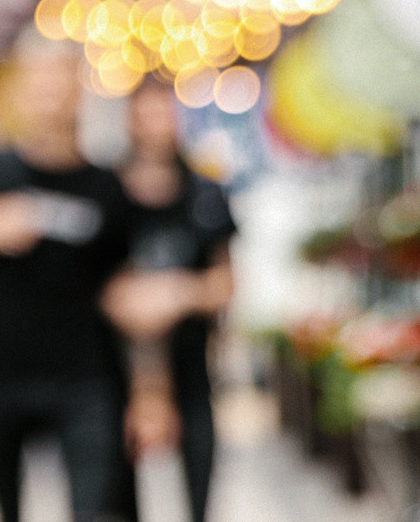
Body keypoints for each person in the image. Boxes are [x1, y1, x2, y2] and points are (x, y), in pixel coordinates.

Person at [0, 39, 133, 522]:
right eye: (40, 79)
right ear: (21, 90)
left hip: (86, 375)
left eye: (61, 78)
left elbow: (124, 281)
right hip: (0, 373)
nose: (50, 92)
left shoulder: (107, 186)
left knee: (95, 507)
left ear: (80, 90)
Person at [105, 81, 238, 522]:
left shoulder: (205, 192)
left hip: (191, 363)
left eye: (162, 113)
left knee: (199, 484)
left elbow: (225, 283)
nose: (155, 126)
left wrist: (176, 293)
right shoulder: (108, 192)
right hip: (116, 369)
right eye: (145, 115)